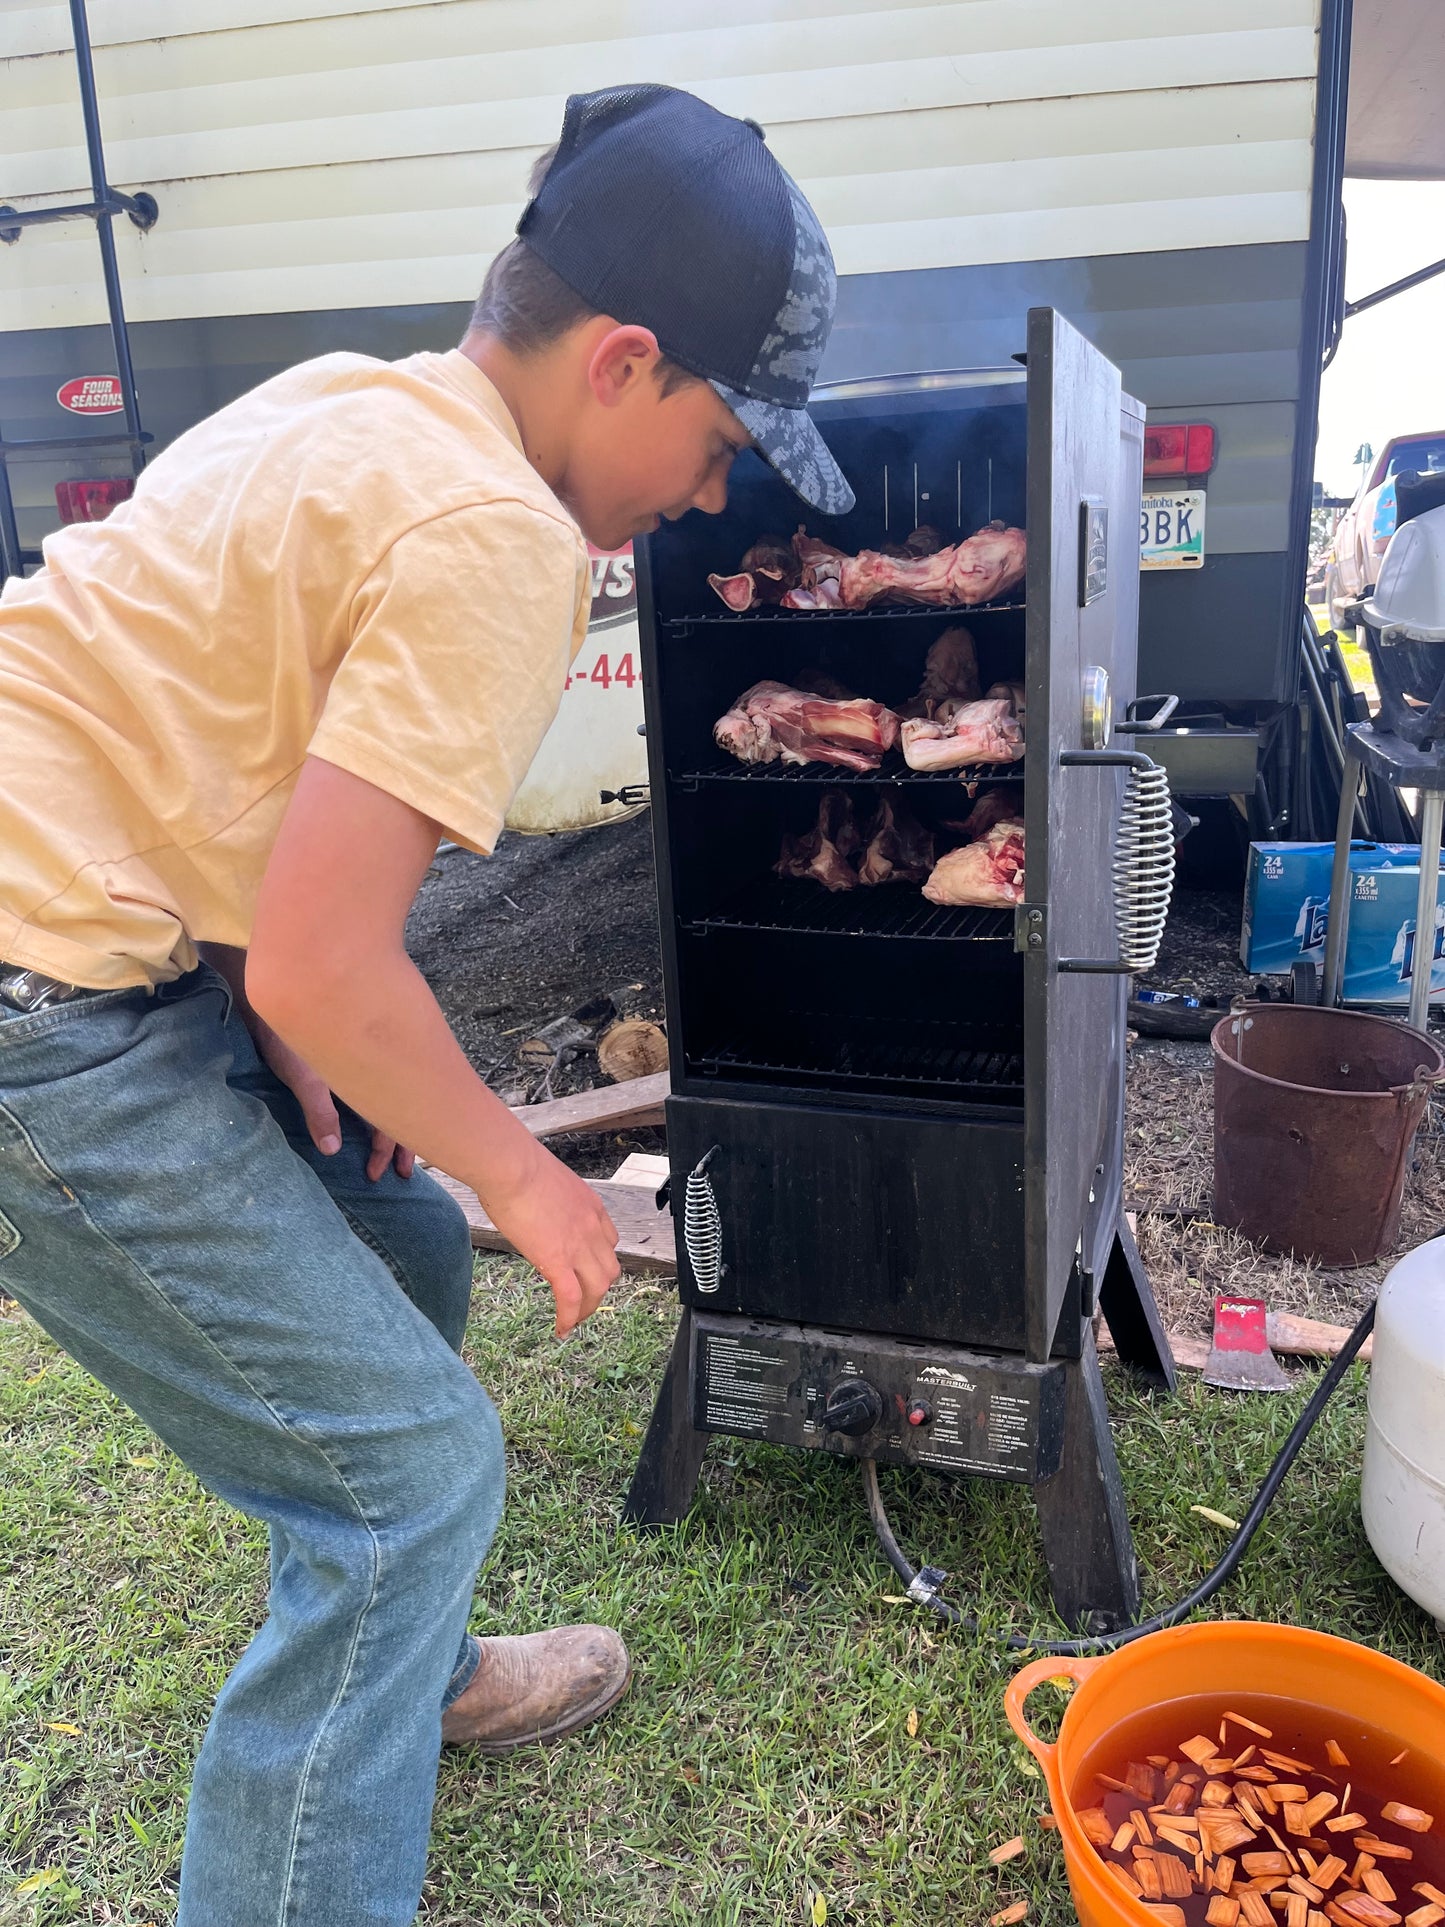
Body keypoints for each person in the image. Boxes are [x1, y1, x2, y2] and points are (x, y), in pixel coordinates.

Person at [0, 83, 853, 1927]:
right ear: (624, 362)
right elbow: (327, 952)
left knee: (393, 1229)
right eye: (720, 445)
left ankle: (428, 1675)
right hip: (39, 1009)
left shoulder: (350, 399)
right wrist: (537, 1182)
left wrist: (287, 1008)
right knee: (407, 1478)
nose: (713, 497)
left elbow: (186, 712)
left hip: (93, 919)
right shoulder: (497, 536)